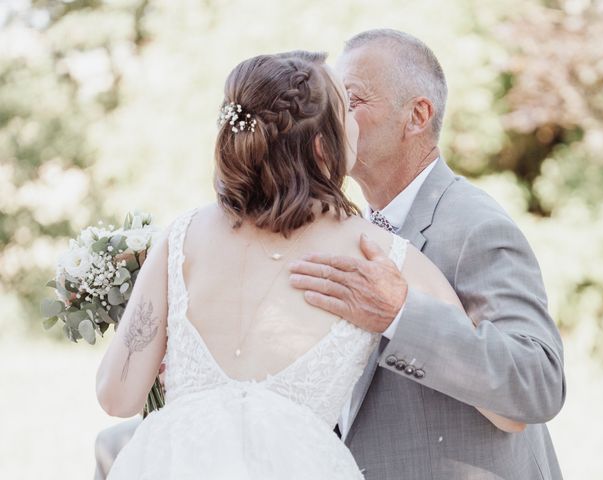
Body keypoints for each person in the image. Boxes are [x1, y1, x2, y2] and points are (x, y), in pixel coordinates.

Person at [95, 49, 521, 479]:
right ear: (322, 146)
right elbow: (509, 412)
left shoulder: (182, 235)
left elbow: (117, 398)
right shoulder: (381, 255)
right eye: (346, 110)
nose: (354, 121)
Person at [289, 29, 566, 479]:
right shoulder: (339, 230)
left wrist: (401, 315)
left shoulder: (476, 226)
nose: (331, 120)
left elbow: (537, 383)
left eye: (351, 101)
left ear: (417, 116)